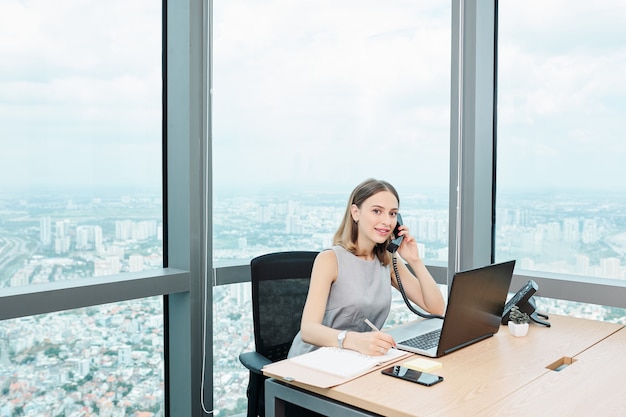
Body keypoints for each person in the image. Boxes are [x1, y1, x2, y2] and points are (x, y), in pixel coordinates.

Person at [288, 178, 446, 358]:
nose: (387, 221)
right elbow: (308, 330)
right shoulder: (330, 259)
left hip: (359, 358)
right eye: (377, 211)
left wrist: (415, 260)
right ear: (355, 213)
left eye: (393, 214)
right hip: (315, 359)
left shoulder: (388, 260)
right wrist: (353, 341)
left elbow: (436, 308)